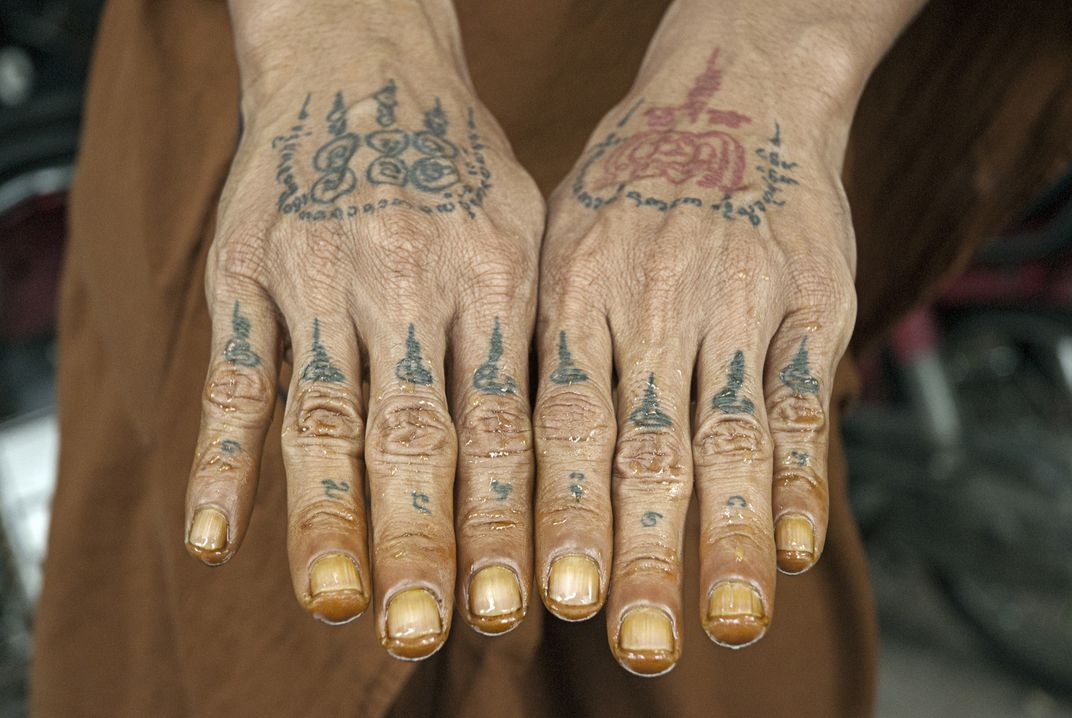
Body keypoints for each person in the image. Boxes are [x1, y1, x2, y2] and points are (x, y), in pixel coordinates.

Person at [30, 0, 1072, 715]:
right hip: (272, 67)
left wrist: (770, 60)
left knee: (696, 498)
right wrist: (329, 41)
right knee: (290, 485)